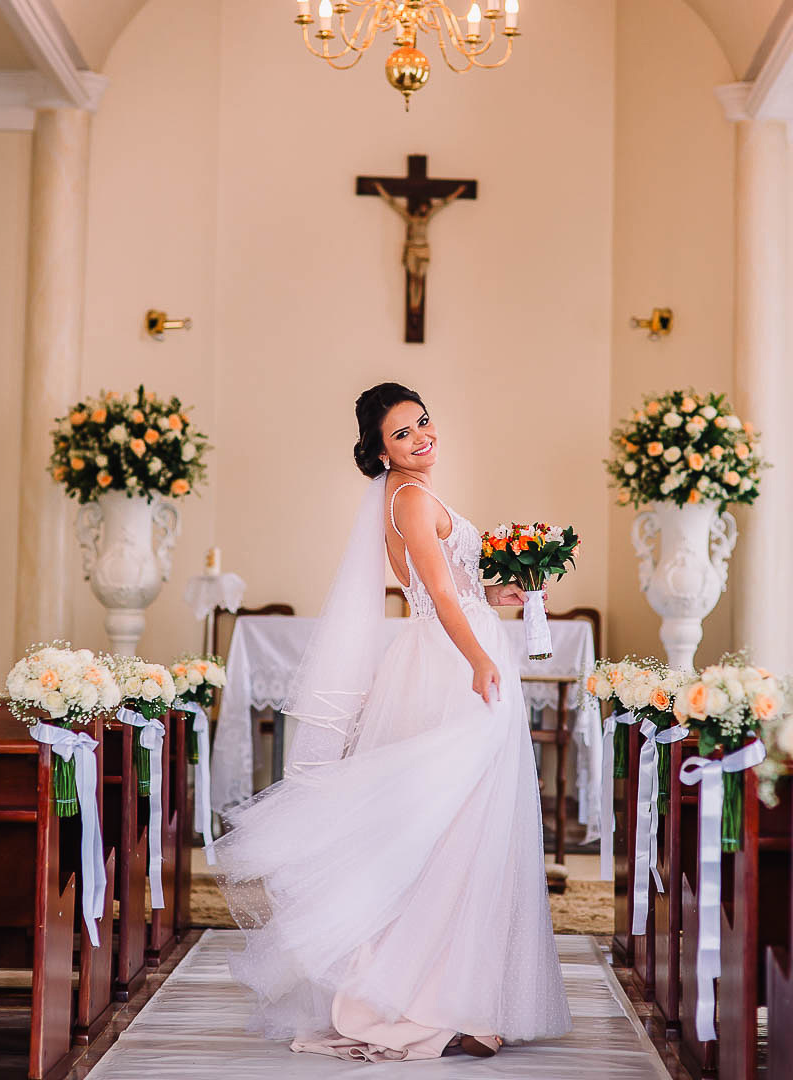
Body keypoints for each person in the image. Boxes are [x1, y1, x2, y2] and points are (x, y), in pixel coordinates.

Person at [214, 382, 572, 1062]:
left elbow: (455, 585)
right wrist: (477, 661)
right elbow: (436, 594)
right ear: (380, 452)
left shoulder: (419, 496)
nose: (421, 437)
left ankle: (458, 992)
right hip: (448, 664)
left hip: (455, 650)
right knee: (448, 829)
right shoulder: (406, 497)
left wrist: (502, 592)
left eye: (422, 422)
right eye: (402, 434)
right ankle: (421, 1000)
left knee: (464, 827)